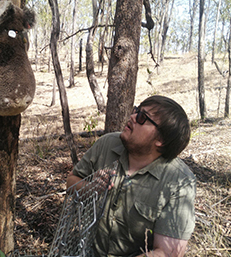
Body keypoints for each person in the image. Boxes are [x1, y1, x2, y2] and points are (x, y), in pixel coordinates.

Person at [67, 95, 196, 257]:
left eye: (143, 117)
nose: (132, 117)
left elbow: (166, 253)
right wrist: (91, 188)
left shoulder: (179, 182)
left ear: (161, 140)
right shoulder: (106, 144)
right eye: (136, 111)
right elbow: (71, 182)